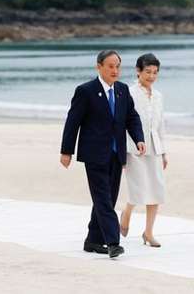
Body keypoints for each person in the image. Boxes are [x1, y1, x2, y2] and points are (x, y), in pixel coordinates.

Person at [60, 50, 146, 259]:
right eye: (110, 66)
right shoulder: (86, 91)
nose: (114, 70)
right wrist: (66, 151)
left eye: (117, 66)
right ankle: (113, 242)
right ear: (99, 66)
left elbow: (131, 117)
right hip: (94, 154)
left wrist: (139, 138)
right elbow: (73, 122)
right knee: (103, 200)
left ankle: (93, 240)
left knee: (108, 198)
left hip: (117, 155)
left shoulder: (122, 90)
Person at [120, 53, 168, 247]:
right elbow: (122, 123)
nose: (151, 76)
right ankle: (127, 213)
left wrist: (164, 152)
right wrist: (122, 152)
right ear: (138, 71)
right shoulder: (128, 93)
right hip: (133, 148)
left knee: (156, 190)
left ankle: (148, 232)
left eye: (155, 72)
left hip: (155, 147)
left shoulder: (158, 96)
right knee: (138, 189)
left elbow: (160, 125)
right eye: (147, 71)